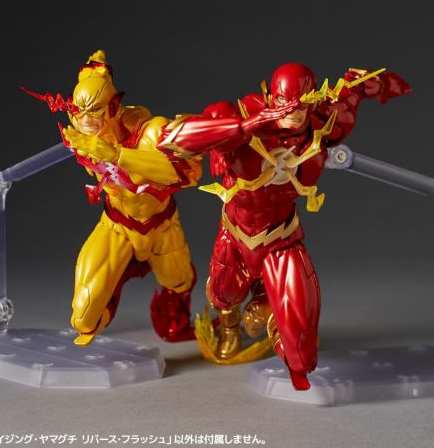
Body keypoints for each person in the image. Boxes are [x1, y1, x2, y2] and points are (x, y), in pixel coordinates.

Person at [159, 63, 410, 389]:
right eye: (284, 103)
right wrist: (246, 126)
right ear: (270, 97)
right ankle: (230, 328)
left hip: (281, 235)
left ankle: (277, 331)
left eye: (301, 104)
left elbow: (355, 91)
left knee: (300, 338)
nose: (293, 112)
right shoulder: (240, 115)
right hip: (236, 231)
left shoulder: (324, 122)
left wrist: (372, 84)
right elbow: (174, 140)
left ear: (312, 99)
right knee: (222, 293)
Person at [24, 50, 202, 346]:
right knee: (83, 319)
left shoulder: (148, 130)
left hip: (161, 224)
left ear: (113, 107)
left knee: (179, 281)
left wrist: (116, 154)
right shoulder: (81, 133)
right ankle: (113, 286)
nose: (85, 121)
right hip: (118, 224)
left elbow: (179, 172)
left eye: (93, 112)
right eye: (78, 113)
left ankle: (176, 317)